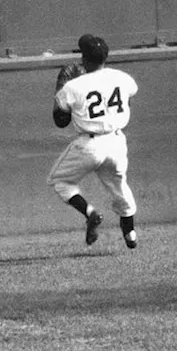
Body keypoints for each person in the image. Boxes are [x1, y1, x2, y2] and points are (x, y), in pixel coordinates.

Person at [49, 34, 140, 249]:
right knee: (120, 189)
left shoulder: (74, 86)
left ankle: (90, 213)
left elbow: (59, 121)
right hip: (117, 141)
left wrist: (60, 91)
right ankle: (130, 234)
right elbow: (128, 98)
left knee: (61, 182)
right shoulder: (123, 77)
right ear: (105, 57)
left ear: (84, 59)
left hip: (89, 144)